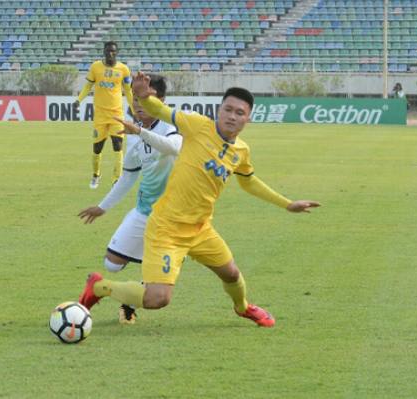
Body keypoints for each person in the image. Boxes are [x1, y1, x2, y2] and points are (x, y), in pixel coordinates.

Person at [76, 71, 321, 328]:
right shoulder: (197, 125)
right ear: (219, 110)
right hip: (166, 227)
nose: (232, 116)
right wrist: (143, 96)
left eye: (240, 113)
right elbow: (157, 110)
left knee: (232, 273)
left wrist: (287, 203)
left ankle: (244, 308)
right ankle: (100, 286)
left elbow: (248, 181)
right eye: (228, 109)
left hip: (201, 228)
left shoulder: (241, 151)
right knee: (158, 298)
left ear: (248, 119)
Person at [77, 74, 182, 324]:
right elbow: (127, 177)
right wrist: (103, 207)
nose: (137, 104)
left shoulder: (174, 125)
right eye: (134, 98)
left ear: (162, 101)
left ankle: (128, 303)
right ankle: (116, 281)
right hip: (144, 211)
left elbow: (174, 147)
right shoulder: (134, 135)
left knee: (156, 280)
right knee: (111, 264)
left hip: (174, 218)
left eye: (145, 98)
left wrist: (140, 132)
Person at [72, 41, 134, 189]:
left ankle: (117, 179)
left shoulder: (124, 69)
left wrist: (134, 110)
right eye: (107, 51)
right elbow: (88, 86)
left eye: (113, 51)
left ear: (117, 52)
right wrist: (78, 100)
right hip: (100, 113)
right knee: (97, 148)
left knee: (117, 145)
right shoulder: (95, 67)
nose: (110, 54)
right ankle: (96, 175)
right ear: (104, 52)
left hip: (116, 114)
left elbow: (129, 91)